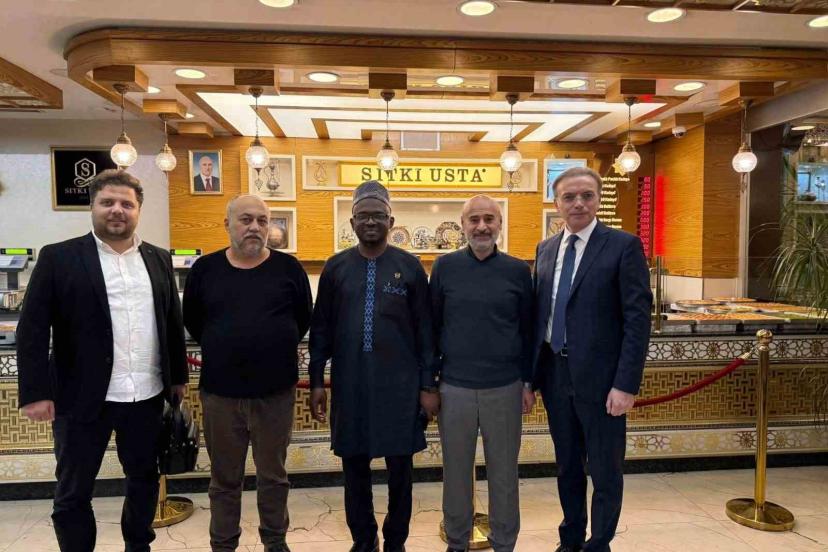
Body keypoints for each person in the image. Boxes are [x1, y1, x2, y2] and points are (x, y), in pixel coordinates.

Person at [16, 169, 188, 552]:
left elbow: (171, 322)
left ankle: (138, 545)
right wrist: (35, 392)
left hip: (145, 394)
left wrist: (177, 378)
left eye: (127, 203)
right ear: (92, 206)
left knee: (144, 479)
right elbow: (32, 329)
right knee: (73, 489)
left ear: (138, 210)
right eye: (107, 202)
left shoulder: (158, 258)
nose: (117, 210)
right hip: (79, 398)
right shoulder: (59, 257)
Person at [308, 180, 437, 552]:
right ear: (351, 223)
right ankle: (364, 540)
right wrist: (316, 382)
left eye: (378, 215)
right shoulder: (335, 268)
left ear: (390, 221)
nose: (370, 222)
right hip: (350, 386)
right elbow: (321, 330)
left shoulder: (410, 267)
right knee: (354, 469)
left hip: (401, 390)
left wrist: (428, 386)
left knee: (401, 472)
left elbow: (426, 333)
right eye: (362, 216)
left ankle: (396, 541)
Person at [531, 166, 652, 552]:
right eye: (569, 197)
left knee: (604, 469)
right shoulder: (545, 249)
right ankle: (570, 540)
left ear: (598, 200)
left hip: (603, 382)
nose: (578, 203)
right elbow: (540, 317)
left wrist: (625, 384)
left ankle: (599, 543)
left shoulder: (623, 246)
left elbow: (637, 321)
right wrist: (531, 379)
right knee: (567, 466)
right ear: (557, 203)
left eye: (586, 195)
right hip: (555, 374)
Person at [183, 195, 312, 552]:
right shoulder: (205, 270)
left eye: (262, 220)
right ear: (228, 224)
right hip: (221, 394)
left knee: (274, 476)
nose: (255, 227)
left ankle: (275, 541)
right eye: (246, 219)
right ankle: (224, 544)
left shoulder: (289, 269)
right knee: (224, 478)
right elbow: (193, 320)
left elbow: (302, 319)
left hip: (276, 394)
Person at [429, 195, 534, 552]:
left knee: (504, 474)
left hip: (505, 387)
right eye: (474, 219)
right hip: (454, 387)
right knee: (455, 472)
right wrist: (430, 382)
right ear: (463, 225)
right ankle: (456, 541)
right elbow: (432, 327)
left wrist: (528, 382)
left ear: (500, 224)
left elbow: (529, 330)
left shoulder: (518, 271)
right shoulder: (444, 267)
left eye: (489, 219)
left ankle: (504, 542)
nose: (482, 226)